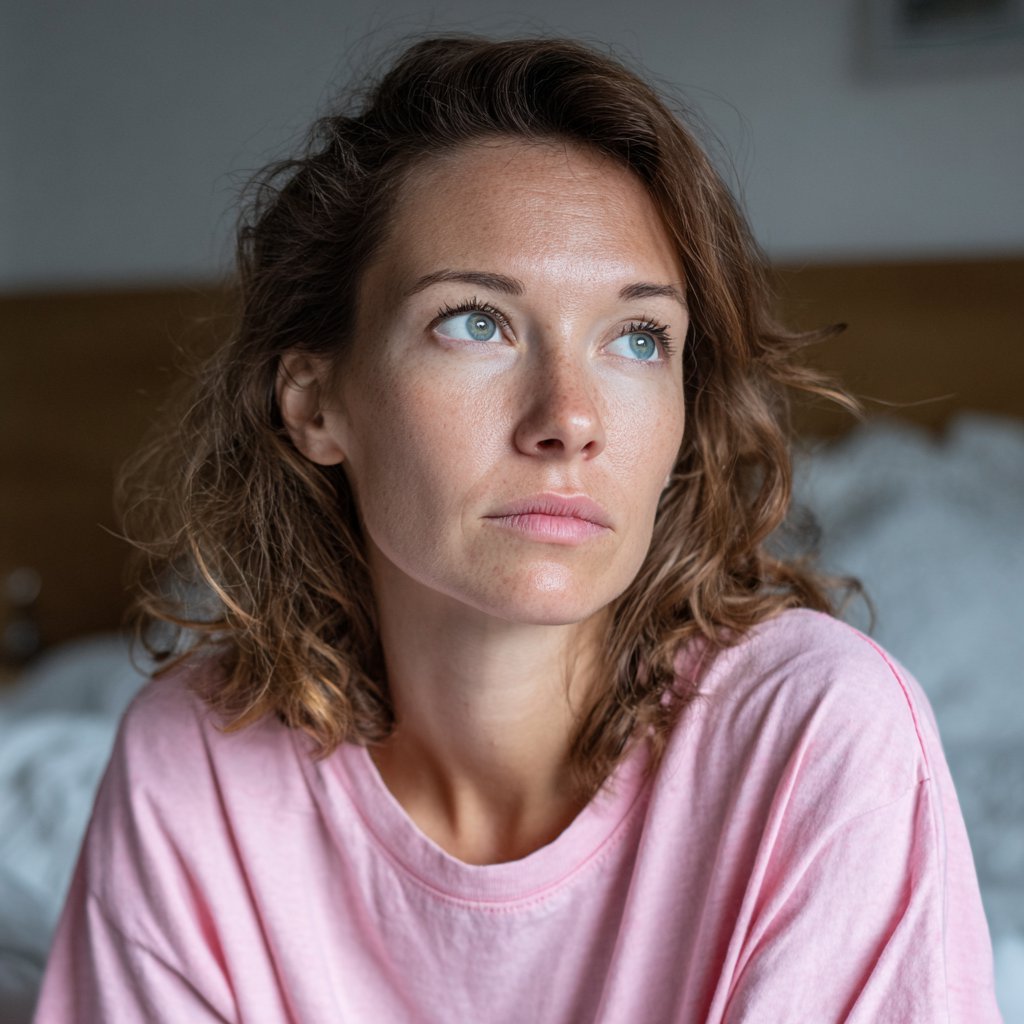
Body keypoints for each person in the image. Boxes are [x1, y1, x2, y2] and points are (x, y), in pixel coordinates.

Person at [34, 36, 1000, 1023]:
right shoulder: (193, 764)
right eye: (475, 321)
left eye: (636, 337)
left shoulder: (818, 739)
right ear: (317, 403)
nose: (570, 417)